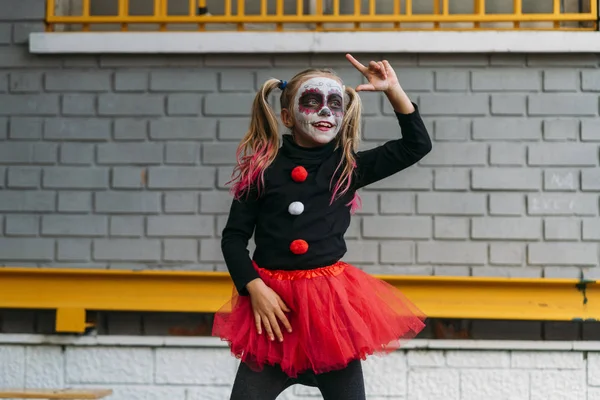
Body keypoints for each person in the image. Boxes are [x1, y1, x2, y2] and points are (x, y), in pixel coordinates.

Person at [212, 53, 432, 400]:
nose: (326, 112)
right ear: (287, 116)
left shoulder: (348, 167)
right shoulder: (262, 171)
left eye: (335, 103)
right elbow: (233, 238)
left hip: (329, 316)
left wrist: (393, 90)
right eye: (312, 102)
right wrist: (253, 288)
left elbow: (416, 145)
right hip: (273, 313)